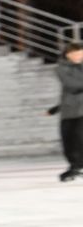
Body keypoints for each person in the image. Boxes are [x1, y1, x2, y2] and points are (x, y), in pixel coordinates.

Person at [49, 40, 83, 182]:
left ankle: (76, 166)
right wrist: (55, 109)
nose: (78, 56)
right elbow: (71, 86)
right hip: (69, 111)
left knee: (80, 139)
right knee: (68, 141)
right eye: (75, 53)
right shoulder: (60, 69)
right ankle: (73, 166)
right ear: (68, 54)